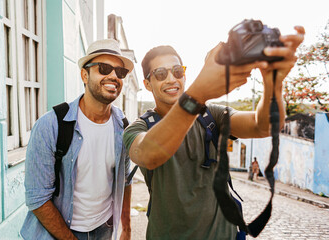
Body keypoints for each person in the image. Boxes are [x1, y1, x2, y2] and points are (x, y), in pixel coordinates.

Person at [123, 26, 305, 239]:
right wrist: (198, 94)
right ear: (147, 83)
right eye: (161, 74)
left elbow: (263, 125)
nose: (172, 79)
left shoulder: (212, 116)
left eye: (177, 71)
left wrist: (273, 82)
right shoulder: (138, 128)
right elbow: (148, 154)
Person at [21, 39, 133, 240]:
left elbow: (125, 180)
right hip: (59, 232)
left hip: (105, 229)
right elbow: (37, 198)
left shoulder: (123, 126)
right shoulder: (51, 125)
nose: (113, 76)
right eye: (104, 68)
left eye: (120, 72)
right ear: (85, 74)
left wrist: (126, 228)